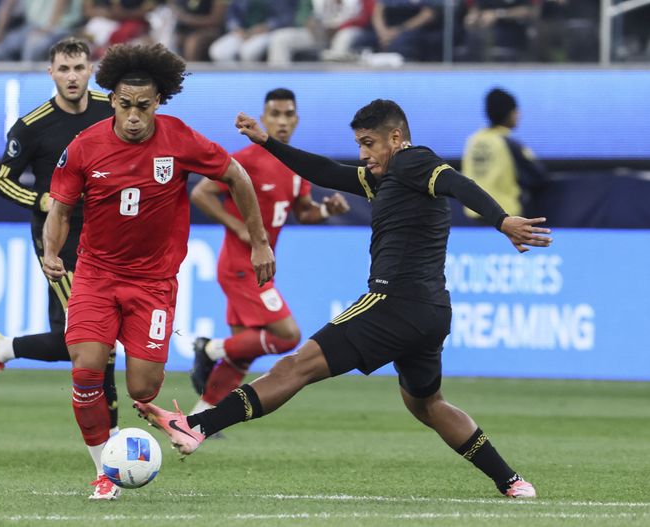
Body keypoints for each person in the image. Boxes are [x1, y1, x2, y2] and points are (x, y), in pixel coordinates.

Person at [135, 98, 553, 499]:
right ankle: (512, 481)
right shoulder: (385, 177)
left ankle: (197, 425)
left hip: (392, 303)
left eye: (368, 144)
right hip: (431, 312)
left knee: (295, 366)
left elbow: (458, 182)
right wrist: (268, 143)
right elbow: (326, 172)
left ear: (395, 137)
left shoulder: (412, 159)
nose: (363, 153)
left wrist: (502, 220)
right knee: (428, 405)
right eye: (358, 144)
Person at [41, 42, 275, 500]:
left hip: (153, 284)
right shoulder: (85, 147)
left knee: (143, 388)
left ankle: (164, 417)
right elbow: (62, 209)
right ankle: (104, 475)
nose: (133, 116)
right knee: (87, 370)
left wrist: (260, 241)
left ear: (159, 103)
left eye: (143, 107)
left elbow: (237, 176)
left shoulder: (179, 138)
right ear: (112, 99)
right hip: (95, 275)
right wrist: (52, 252)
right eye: (125, 105)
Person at [0, 37, 121, 495]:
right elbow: (2, 181)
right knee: (95, 343)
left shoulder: (113, 111)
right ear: (50, 72)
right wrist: (44, 199)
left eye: (79, 67)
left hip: (110, 241)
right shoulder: (32, 127)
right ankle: (109, 458)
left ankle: (2, 349)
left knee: (78, 344)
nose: (73, 76)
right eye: (64, 68)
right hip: (58, 242)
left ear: (91, 69)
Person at [188, 88, 350, 415]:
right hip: (239, 265)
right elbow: (202, 193)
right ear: (263, 119)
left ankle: (198, 418)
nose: (282, 121)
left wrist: (328, 210)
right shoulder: (245, 160)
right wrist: (236, 227)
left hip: (261, 267)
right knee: (288, 336)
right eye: (275, 114)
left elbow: (304, 213)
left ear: (297, 120)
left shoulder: (295, 166)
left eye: (288, 115)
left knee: (244, 353)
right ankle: (209, 349)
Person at [462, 87, 546, 221]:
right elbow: (537, 175)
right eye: (516, 111)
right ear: (509, 114)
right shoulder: (508, 142)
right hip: (505, 215)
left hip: (474, 214)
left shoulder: (473, 140)